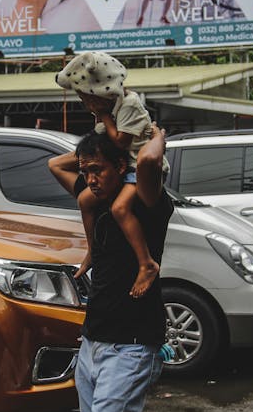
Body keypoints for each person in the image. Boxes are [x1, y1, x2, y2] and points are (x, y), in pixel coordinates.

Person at [48, 126, 174, 412]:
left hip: (129, 348)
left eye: (97, 170)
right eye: (85, 171)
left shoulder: (145, 204)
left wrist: (157, 136)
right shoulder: (96, 200)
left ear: (121, 167)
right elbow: (56, 165)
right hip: (92, 343)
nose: (89, 179)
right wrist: (101, 134)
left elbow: (148, 159)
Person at [55, 51, 170, 298]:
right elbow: (95, 145)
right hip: (126, 167)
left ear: (101, 93)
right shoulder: (111, 111)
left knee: (119, 209)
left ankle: (146, 263)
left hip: (136, 170)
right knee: (84, 200)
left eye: (87, 99)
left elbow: (119, 142)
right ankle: (92, 250)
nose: (86, 105)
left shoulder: (128, 104)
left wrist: (159, 138)